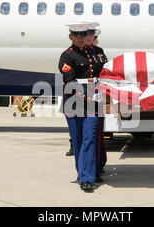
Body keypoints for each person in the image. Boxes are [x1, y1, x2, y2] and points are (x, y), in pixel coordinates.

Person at [59, 23, 101, 192]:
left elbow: (103, 74)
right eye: (77, 36)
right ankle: (82, 172)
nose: (81, 39)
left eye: (83, 35)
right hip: (74, 103)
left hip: (93, 103)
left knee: (89, 139)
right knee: (77, 142)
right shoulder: (66, 56)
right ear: (70, 37)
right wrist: (88, 93)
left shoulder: (95, 53)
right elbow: (70, 82)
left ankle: (87, 178)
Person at [85, 26, 108, 181]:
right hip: (81, 97)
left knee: (98, 134)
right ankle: (89, 170)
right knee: (86, 136)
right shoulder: (74, 53)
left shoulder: (99, 52)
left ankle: (98, 166)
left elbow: (106, 72)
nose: (89, 38)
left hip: (97, 95)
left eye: (92, 36)